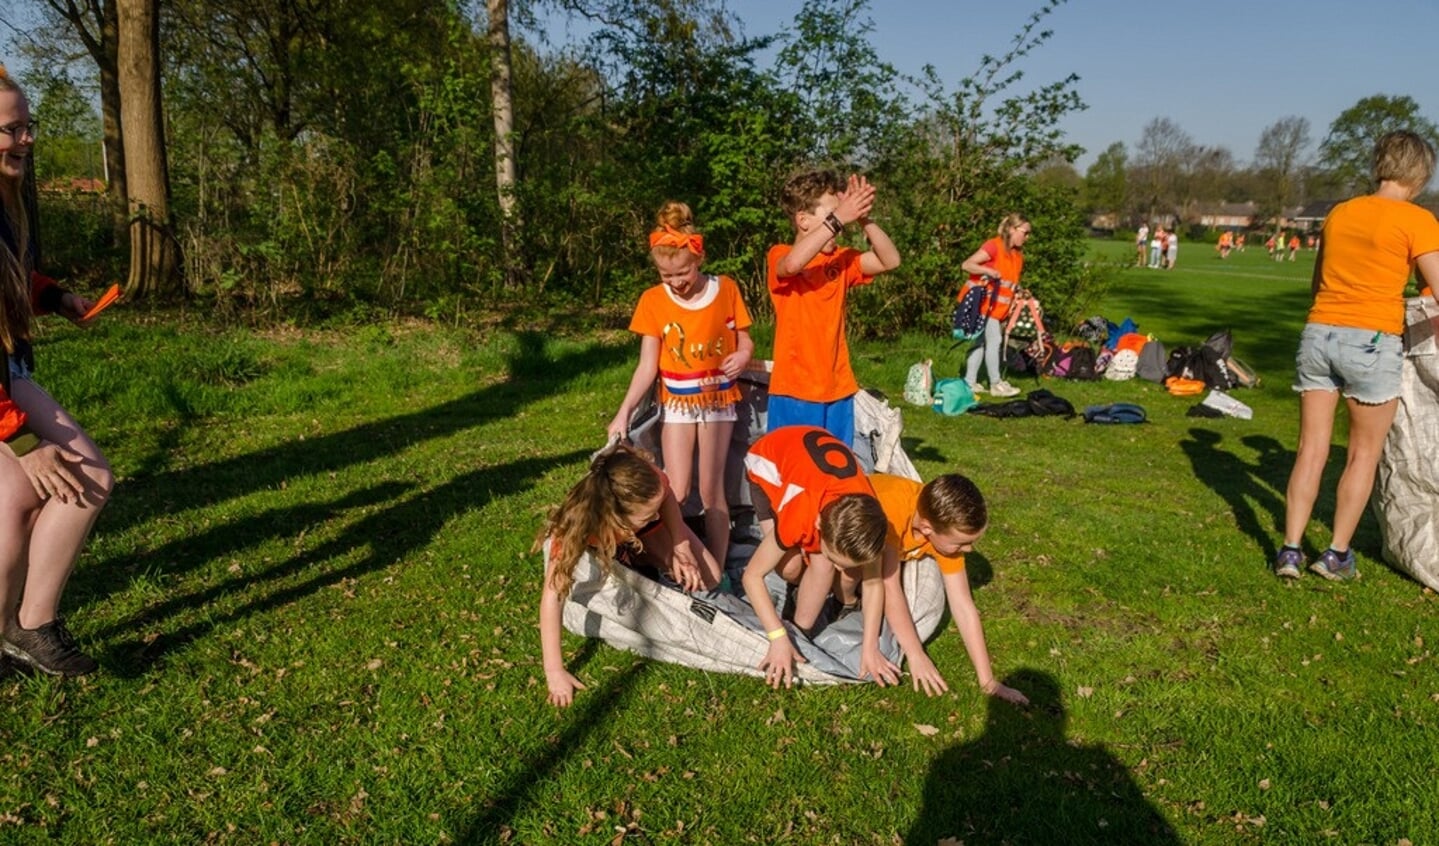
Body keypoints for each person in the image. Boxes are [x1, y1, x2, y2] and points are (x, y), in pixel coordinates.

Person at [1274, 130, 1439, 581]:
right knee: (1362, 455)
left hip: (1319, 333)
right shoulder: (1418, 219)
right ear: (1421, 173)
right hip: (1372, 341)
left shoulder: (1340, 213)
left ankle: (1290, 549)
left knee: (1311, 449)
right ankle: (1335, 554)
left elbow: (1316, 284)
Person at [0, 67, 112, 677]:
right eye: (11, 129)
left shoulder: (5, 200)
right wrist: (19, 440)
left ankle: (13, 633)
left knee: (15, 498)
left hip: (7, 365)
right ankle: (32, 625)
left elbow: (13, 274)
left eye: (28, 126)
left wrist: (54, 298)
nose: (26, 140)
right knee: (77, 477)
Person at [607, 201, 753, 567]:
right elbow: (647, 366)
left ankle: (718, 570)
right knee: (674, 488)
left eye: (682, 274)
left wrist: (744, 355)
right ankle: (676, 556)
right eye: (665, 276)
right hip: (677, 402)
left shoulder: (727, 289)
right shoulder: (653, 301)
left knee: (711, 492)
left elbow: (746, 340)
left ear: (698, 258)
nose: (675, 283)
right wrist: (623, 412)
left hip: (718, 401)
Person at [536, 444, 722, 706]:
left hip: (637, 532)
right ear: (615, 517)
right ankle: (637, 558)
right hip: (614, 538)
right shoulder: (576, 530)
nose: (656, 513)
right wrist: (554, 671)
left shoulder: (645, 479)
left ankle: (645, 555)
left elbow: (665, 494)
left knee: (710, 577)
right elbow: (552, 597)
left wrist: (681, 544)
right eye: (648, 514)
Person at [741, 425, 898, 690]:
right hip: (767, 463)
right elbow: (752, 576)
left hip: (813, 471)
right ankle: (793, 630)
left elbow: (872, 583)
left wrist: (870, 647)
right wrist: (778, 636)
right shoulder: (800, 514)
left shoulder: (868, 520)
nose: (840, 569)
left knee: (824, 564)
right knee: (791, 568)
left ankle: (801, 631)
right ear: (817, 524)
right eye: (837, 559)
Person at [868, 471, 1029, 703]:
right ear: (926, 529)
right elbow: (889, 587)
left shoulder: (939, 527)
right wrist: (916, 655)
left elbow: (963, 605)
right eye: (962, 543)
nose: (968, 550)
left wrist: (988, 682)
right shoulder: (893, 516)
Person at [767, 170, 901, 448]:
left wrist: (863, 217)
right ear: (802, 220)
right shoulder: (779, 254)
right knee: (797, 472)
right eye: (833, 215)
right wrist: (839, 217)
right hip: (796, 391)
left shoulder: (841, 260)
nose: (841, 225)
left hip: (839, 387)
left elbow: (890, 261)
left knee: (838, 471)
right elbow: (792, 265)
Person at [960, 213, 1031, 397]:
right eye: (1026, 232)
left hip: (998, 308)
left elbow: (1009, 281)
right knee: (995, 341)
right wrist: (988, 271)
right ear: (1012, 229)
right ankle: (996, 384)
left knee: (981, 343)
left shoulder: (1017, 255)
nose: (1028, 237)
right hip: (983, 304)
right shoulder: (993, 246)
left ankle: (969, 382)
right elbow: (967, 265)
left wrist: (1020, 292)